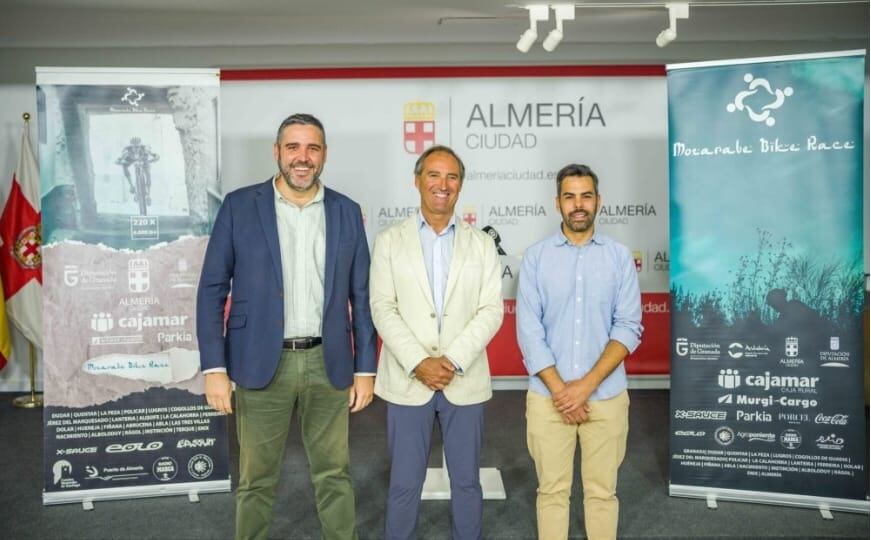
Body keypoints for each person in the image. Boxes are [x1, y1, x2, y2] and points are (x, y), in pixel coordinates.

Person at [196, 113, 376, 540]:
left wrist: (365, 369)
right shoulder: (240, 206)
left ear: (324, 155)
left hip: (327, 362)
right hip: (259, 361)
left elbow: (362, 297)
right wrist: (214, 369)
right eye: (293, 147)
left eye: (312, 148)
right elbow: (211, 290)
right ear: (276, 152)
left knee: (335, 474)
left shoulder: (347, 211)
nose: (303, 157)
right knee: (256, 479)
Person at [369, 144, 503, 540]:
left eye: (452, 177)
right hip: (408, 379)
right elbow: (382, 307)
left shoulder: (481, 243)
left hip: (464, 379)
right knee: (404, 484)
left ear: (460, 185)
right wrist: (419, 362)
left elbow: (491, 310)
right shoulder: (389, 240)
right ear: (417, 180)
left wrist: (452, 360)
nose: (442, 185)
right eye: (433, 175)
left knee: (466, 483)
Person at [516, 163, 642, 540]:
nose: (579, 205)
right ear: (558, 204)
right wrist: (561, 391)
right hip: (547, 400)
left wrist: (583, 387)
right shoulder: (536, 258)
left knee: (602, 494)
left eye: (586, 195)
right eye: (570, 196)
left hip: (604, 398)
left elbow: (629, 327)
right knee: (551, 493)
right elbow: (529, 331)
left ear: (598, 201)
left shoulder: (620, 257)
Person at [116, 137, 159, 203]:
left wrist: (155, 158)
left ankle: (148, 195)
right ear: (131, 146)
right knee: (124, 166)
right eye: (134, 147)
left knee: (148, 172)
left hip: (143, 159)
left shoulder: (145, 149)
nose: (136, 149)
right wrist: (119, 162)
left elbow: (154, 155)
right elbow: (120, 158)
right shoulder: (127, 150)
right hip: (131, 159)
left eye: (138, 147)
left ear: (140, 146)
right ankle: (131, 186)